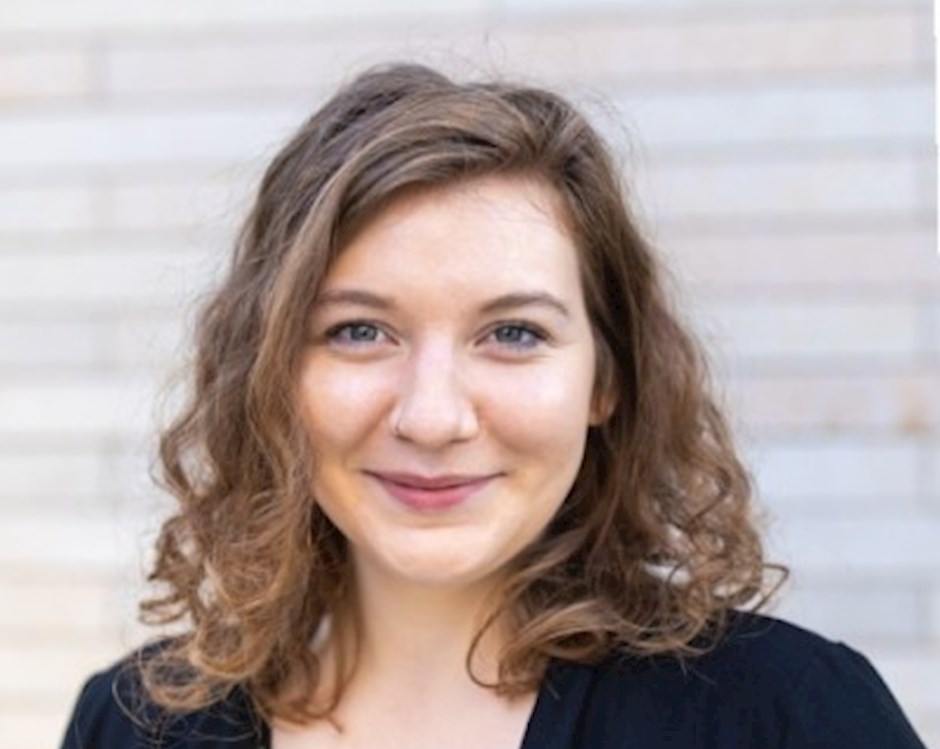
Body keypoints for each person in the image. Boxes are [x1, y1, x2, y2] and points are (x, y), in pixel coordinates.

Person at [60, 63, 927, 749]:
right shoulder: (133, 725)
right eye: (360, 331)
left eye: (513, 333)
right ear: (272, 371)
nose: (432, 418)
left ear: (607, 379)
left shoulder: (787, 716)